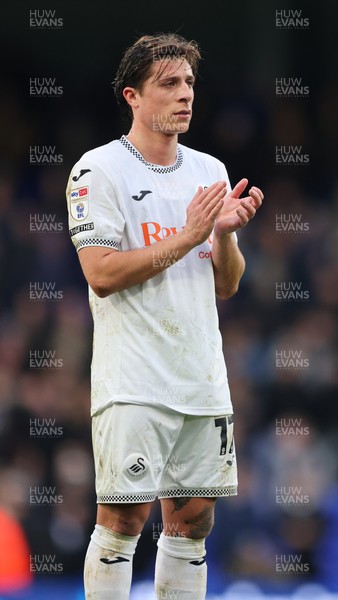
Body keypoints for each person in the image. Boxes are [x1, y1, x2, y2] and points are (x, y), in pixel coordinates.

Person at [66, 32, 264, 600]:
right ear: (133, 95)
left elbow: (226, 284)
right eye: (169, 84)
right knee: (124, 520)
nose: (185, 96)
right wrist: (187, 236)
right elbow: (100, 274)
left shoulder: (209, 170)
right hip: (134, 378)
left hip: (201, 377)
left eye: (190, 84)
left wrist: (222, 237)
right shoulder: (98, 171)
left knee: (193, 521)